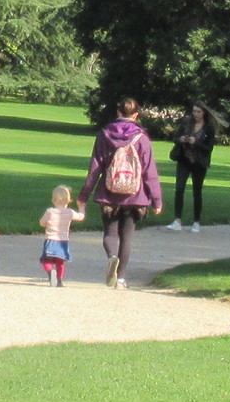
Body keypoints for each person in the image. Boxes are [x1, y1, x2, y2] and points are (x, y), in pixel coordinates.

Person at [83, 96, 162, 288]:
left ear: (118, 112)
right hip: (135, 195)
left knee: (110, 233)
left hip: (109, 192)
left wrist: (84, 195)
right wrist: (156, 200)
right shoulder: (142, 138)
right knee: (127, 237)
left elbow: (95, 167)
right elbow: (149, 171)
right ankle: (121, 278)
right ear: (136, 115)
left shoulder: (105, 134)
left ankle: (112, 256)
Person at [166, 102, 220, 231]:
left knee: (197, 191)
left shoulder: (209, 127)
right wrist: (181, 139)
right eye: (194, 111)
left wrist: (197, 142)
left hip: (199, 162)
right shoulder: (186, 123)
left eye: (198, 112)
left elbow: (209, 148)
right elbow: (175, 138)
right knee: (179, 188)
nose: (196, 114)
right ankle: (177, 220)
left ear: (204, 113)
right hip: (184, 159)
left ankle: (196, 222)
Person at [39, 184, 82, 286]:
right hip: (63, 241)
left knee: (46, 260)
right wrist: (82, 207)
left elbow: (42, 223)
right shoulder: (70, 212)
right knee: (60, 262)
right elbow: (81, 217)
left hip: (50, 240)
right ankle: (59, 280)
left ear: (53, 200)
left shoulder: (50, 212)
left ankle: (51, 273)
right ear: (68, 200)